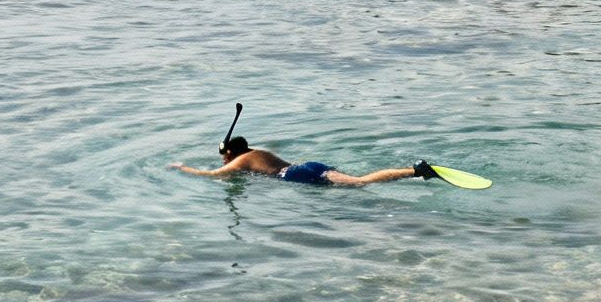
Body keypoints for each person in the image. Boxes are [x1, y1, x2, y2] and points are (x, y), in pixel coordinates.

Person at [170, 136, 441, 186]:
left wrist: (182, 168)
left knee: (360, 182)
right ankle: (414, 172)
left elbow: (211, 175)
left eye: (224, 155)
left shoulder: (239, 162)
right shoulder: (258, 152)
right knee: (358, 179)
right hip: (308, 166)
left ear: (229, 153)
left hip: (296, 176)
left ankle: (416, 171)